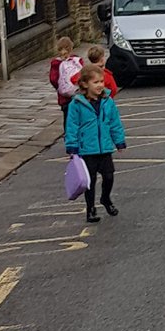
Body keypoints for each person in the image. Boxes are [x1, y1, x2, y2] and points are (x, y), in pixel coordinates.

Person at [64, 63, 126, 223]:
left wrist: (119, 141)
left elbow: (114, 122)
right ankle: (90, 209)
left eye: (101, 82)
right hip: (87, 150)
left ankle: (106, 198)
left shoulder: (108, 101)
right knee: (89, 182)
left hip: (104, 148)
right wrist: (72, 146)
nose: (100, 85)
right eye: (96, 82)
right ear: (84, 84)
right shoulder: (76, 105)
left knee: (109, 177)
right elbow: (72, 126)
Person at [49, 36, 83, 132]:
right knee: (79, 117)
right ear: (71, 48)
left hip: (64, 99)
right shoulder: (76, 61)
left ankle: (68, 137)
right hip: (78, 95)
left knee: (67, 118)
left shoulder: (56, 64)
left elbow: (53, 79)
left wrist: (60, 88)